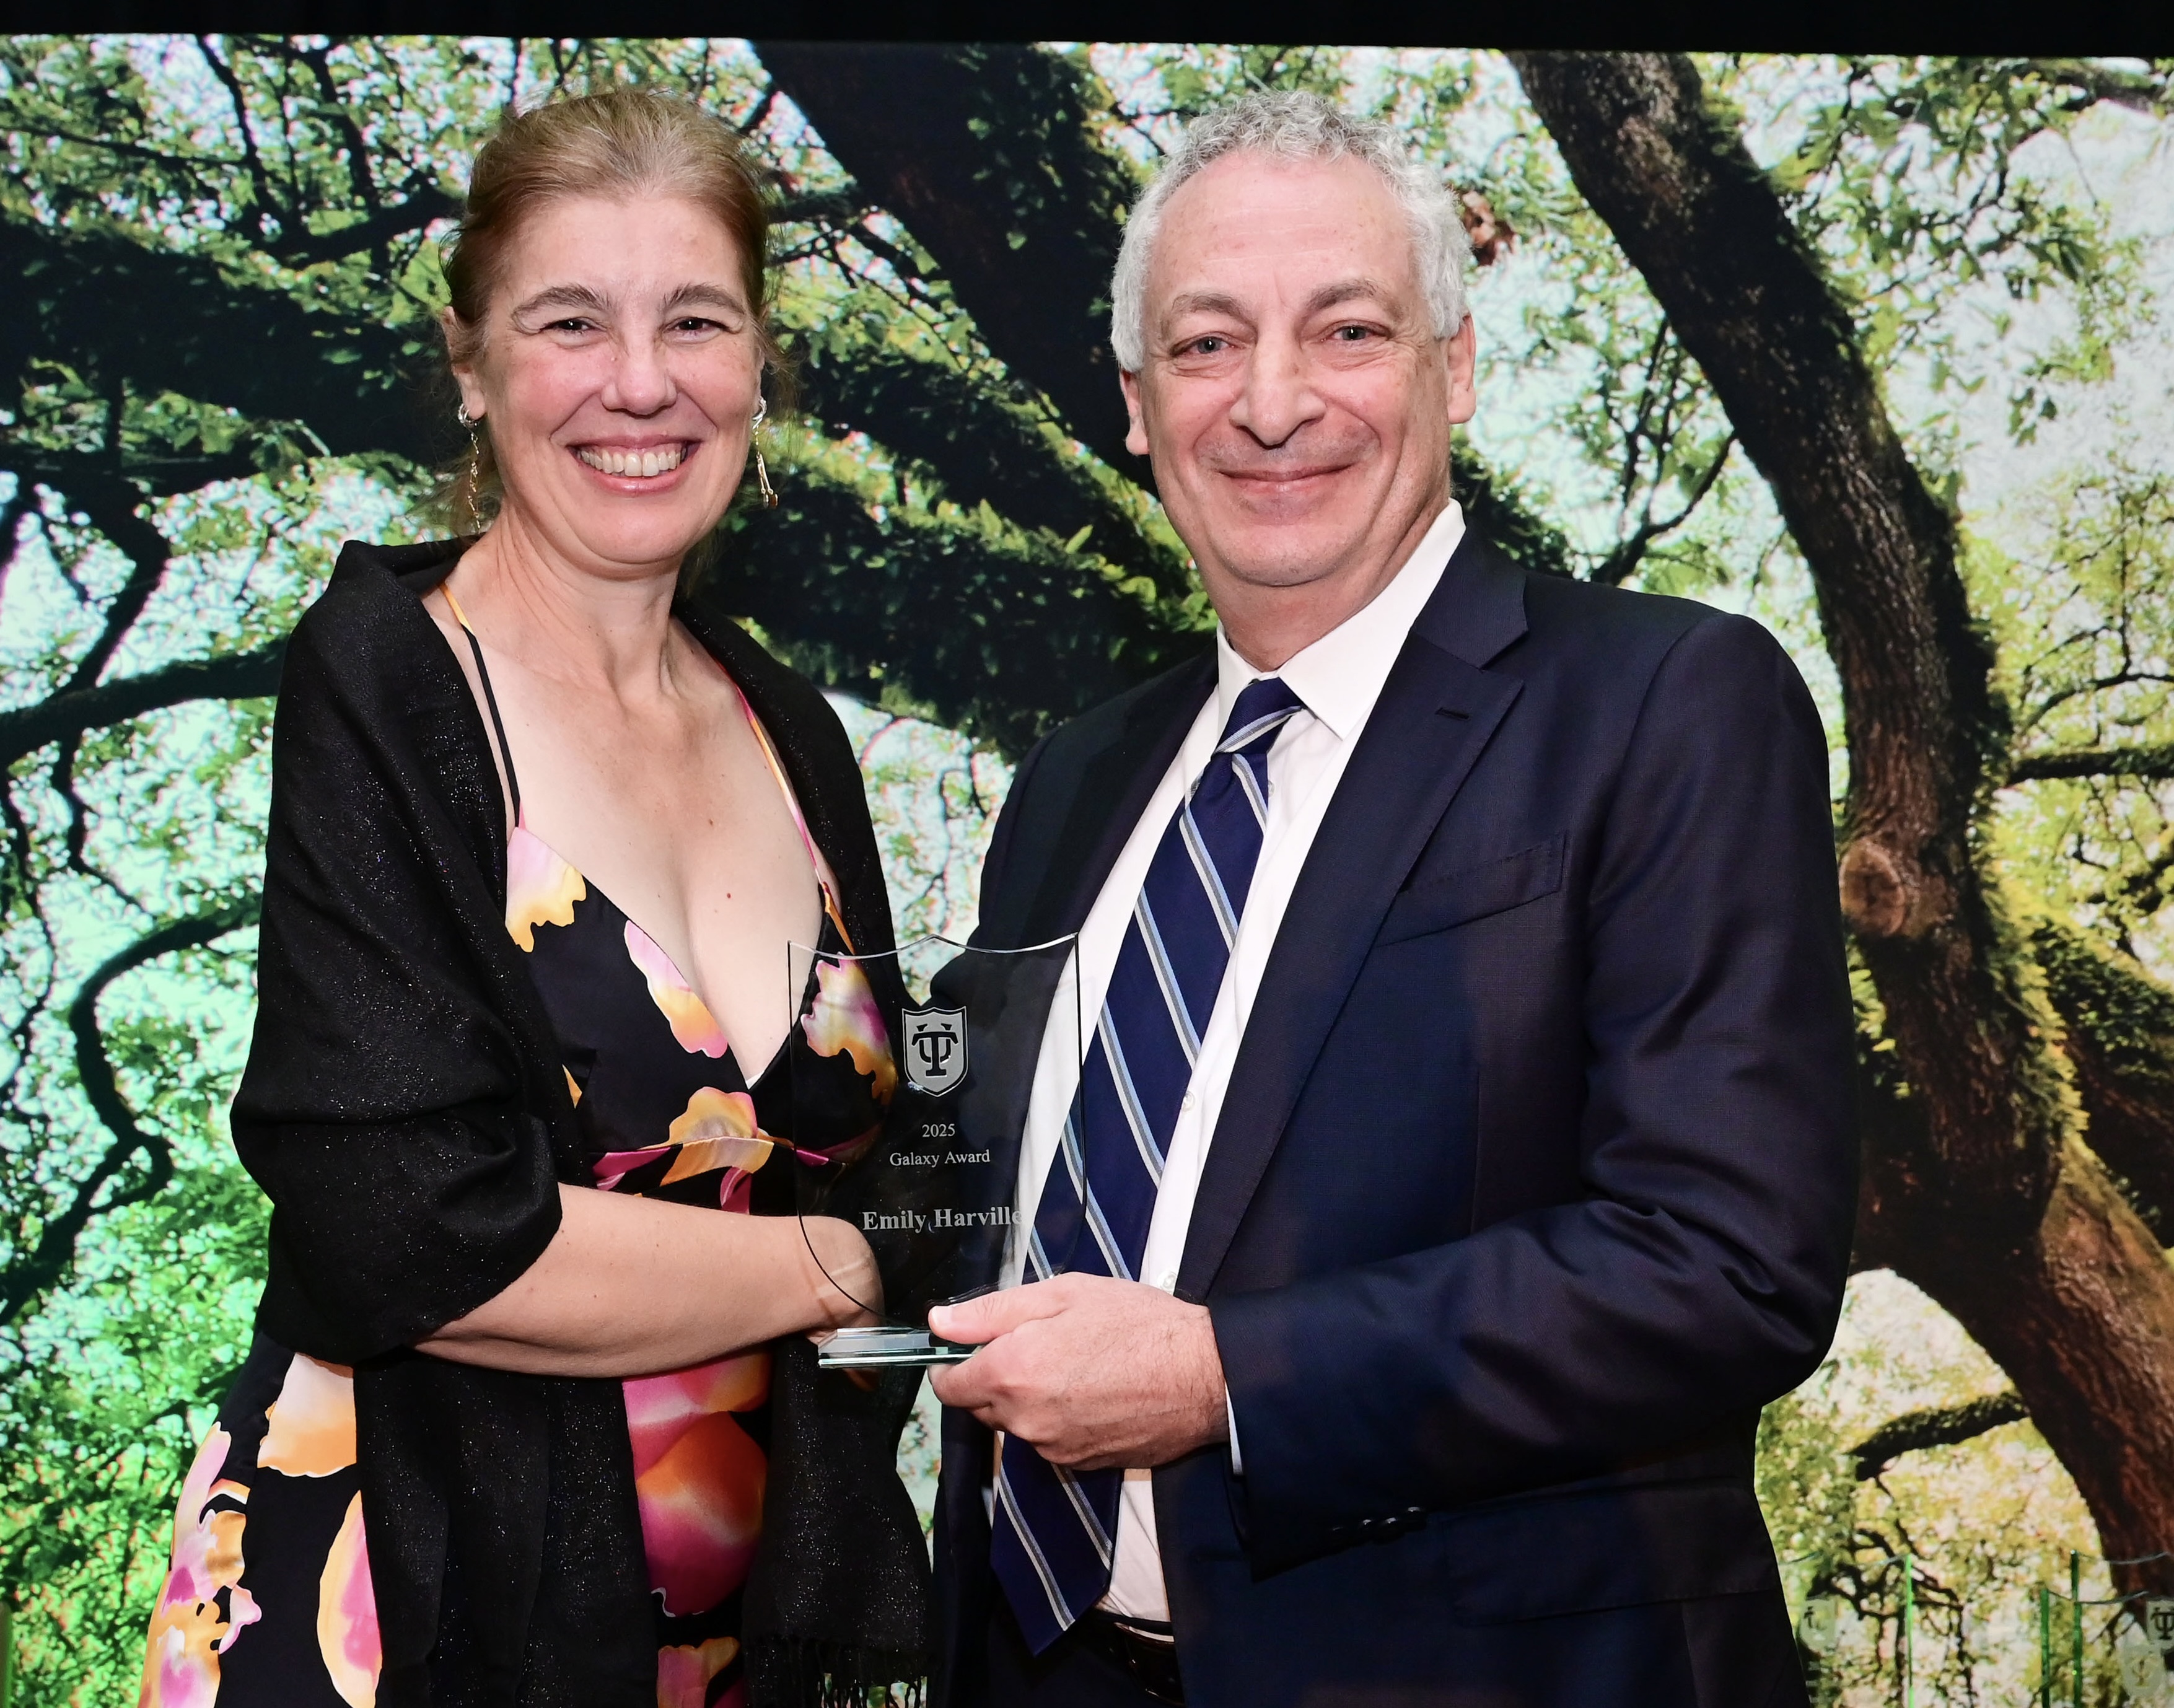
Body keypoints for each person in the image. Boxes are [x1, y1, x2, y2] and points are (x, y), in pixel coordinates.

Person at [926, 92, 1855, 1708]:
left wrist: (1228, 1378)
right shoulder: (1072, 785)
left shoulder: (1667, 702)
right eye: (1208, 347)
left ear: (1458, 368)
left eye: (1346, 330)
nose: (1272, 403)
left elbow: (1726, 1261)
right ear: (1139, 406)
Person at [139, 92, 929, 1708]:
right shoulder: (386, 675)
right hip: (406, 1613)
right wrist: (848, 1273)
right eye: (571, 321)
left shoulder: (797, 731)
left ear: (759, 361)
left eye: (694, 320)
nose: (641, 383)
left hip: (739, 1632)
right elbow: (404, 1236)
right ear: (473, 364)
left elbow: (910, 1151)